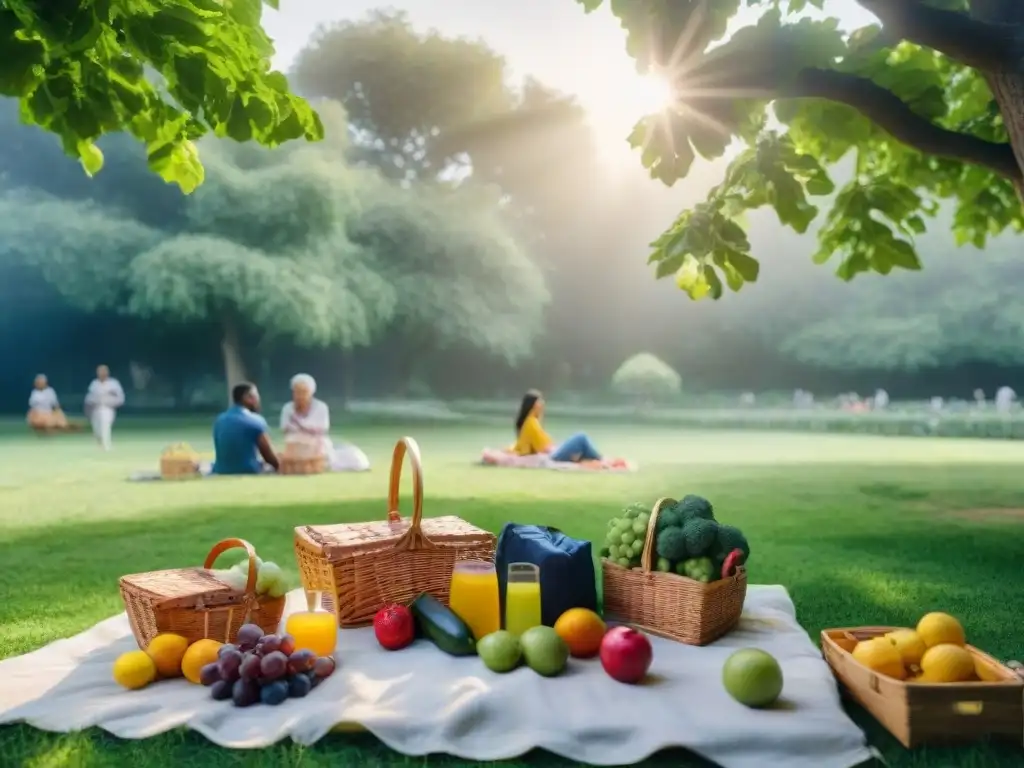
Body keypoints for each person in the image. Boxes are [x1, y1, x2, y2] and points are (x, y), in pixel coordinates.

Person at [280, 373, 370, 471]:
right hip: (295, 446)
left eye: (303, 392)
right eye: (297, 392)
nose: (300, 396)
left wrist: (300, 426)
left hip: (318, 445)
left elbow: (322, 430)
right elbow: (286, 430)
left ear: (311, 392)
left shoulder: (321, 407)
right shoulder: (287, 408)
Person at [511, 389, 602, 462]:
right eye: (540, 401)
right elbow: (532, 449)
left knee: (583, 445)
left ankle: (599, 460)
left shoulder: (532, 421)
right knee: (581, 437)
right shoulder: (531, 422)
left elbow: (524, 444)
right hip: (552, 455)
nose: (543, 404)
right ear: (533, 405)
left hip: (553, 451)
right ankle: (601, 460)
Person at [212, 383, 280, 475]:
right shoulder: (256, 420)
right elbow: (269, 457)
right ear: (247, 398)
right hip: (248, 470)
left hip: (220, 470)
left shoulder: (219, 420)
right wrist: (280, 466)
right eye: (256, 397)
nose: (258, 400)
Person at [84, 365, 125, 450]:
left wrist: (115, 403)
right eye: (100, 372)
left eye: (103, 371)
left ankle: (107, 445)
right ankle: (100, 444)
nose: (102, 373)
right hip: (95, 408)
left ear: (107, 373)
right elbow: (89, 397)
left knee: (105, 426)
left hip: (108, 408)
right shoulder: (94, 384)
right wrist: (87, 409)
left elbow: (120, 397)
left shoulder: (113, 383)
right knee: (97, 429)